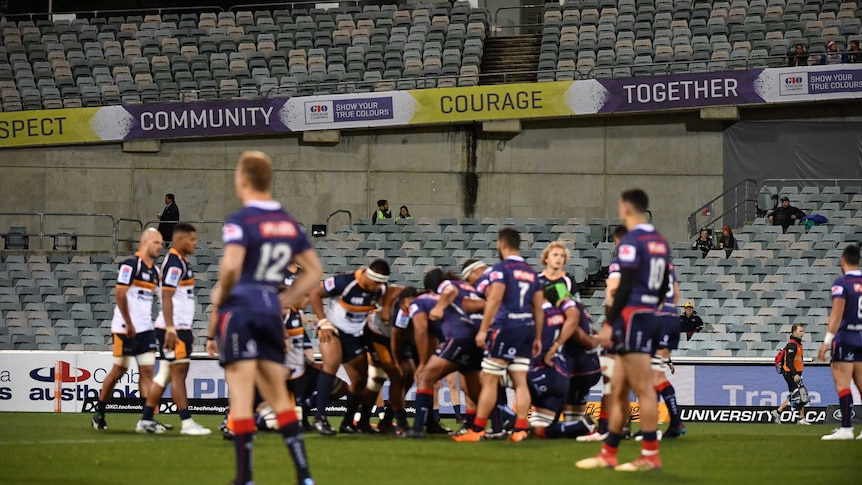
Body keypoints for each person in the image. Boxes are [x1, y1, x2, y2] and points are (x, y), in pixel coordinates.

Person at [206, 150, 322, 485]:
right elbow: (314, 270)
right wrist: (283, 299)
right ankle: (304, 476)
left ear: (242, 179)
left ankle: (245, 477)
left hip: (240, 311)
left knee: (241, 395)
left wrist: (222, 294)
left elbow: (230, 266)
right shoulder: (287, 222)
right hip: (270, 312)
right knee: (278, 397)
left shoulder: (241, 220)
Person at [577, 189, 670, 472]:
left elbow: (625, 284)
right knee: (617, 388)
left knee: (641, 389)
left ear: (625, 208)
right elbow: (666, 285)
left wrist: (609, 323)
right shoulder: (660, 243)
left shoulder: (631, 240)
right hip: (648, 316)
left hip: (631, 319)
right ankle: (609, 452)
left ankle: (650, 456)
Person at [453, 227, 543, 443]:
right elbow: (538, 307)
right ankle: (520, 429)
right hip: (527, 327)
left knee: (490, 380)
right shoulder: (531, 272)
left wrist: (483, 329)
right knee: (520, 381)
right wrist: (538, 337)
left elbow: (493, 299)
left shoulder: (501, 270)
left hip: (506, 326)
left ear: (501, 245)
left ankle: (478, 429)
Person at [136, 223, 211, 435]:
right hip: (173, 328)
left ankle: (146, 419)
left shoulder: (180, 261)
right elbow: (167, 295)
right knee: (179, 374)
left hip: (179, 327)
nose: (195, 244)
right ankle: (187, 423)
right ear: (179, 240)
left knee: (166, 374)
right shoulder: (175, 262)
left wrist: (186, 327)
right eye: (191, 240)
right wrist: (171, 328)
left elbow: (181, 297)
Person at [92, 228, 162, 431]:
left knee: (147, 372)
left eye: (160, 243)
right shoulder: (130, 265)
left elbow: (164, 296)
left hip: (146, 329)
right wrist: (129, 322)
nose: (159, 246)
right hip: (125, 328)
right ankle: (99, 413)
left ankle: (147, 419)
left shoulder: (155, 272)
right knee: (119, 371)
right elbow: (120, 293)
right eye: (156, 242)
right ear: (145, 242)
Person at [309, 259, 390, 435]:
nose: (378, 287)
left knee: (361, 379)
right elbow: (315, 293)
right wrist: (323, 322)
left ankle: (348, 422)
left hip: (355, 336)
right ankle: (320, 418)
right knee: (331, 364)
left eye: (381, 283)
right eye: (376, 282)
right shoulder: (345, 282)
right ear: (368, 276)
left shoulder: (381, 290)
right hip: (333, 330)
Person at [529, 282, 599, 440]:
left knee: (538, 428)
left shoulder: (564, 308)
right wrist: (595, 339)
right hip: (588, 365)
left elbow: (574, 324)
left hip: (573, 368)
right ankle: (584, 428)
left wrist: (555, 346)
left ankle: (514, 424)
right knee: (572, 419)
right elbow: (589, 331)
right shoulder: (580, 307)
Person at [818, 244, 862, 440]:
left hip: (846, 337)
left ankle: (846, 428)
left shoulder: (841, 283)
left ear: (843, 261)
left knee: (842, 383)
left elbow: (837, 314)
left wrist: (827, 341)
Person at [771, 324, 811, 425]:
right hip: (790, 374)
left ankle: (780, 413)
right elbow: (789, 362)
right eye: (800, 331)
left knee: (798, 395)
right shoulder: (792, 345)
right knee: (799, 396)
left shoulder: (797, 344)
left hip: (796, 373)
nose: (802, 333)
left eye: (802, 331)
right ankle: (798, 418)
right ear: (794, 332)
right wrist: (795, 374)